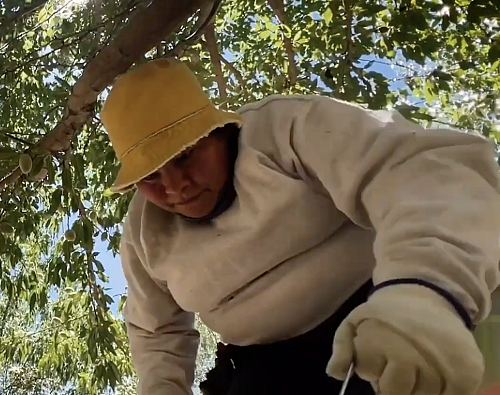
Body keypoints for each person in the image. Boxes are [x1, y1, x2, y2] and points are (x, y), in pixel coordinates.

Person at [98, 58, 500, 395]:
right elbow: (155, 334)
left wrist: (425, 291)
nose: (174, 186)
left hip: (391, 305)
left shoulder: (284, 128)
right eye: (150, 176)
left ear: (216, 132)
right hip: (266, 369)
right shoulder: (142, 234)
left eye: (184, 156)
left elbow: (418, 172)